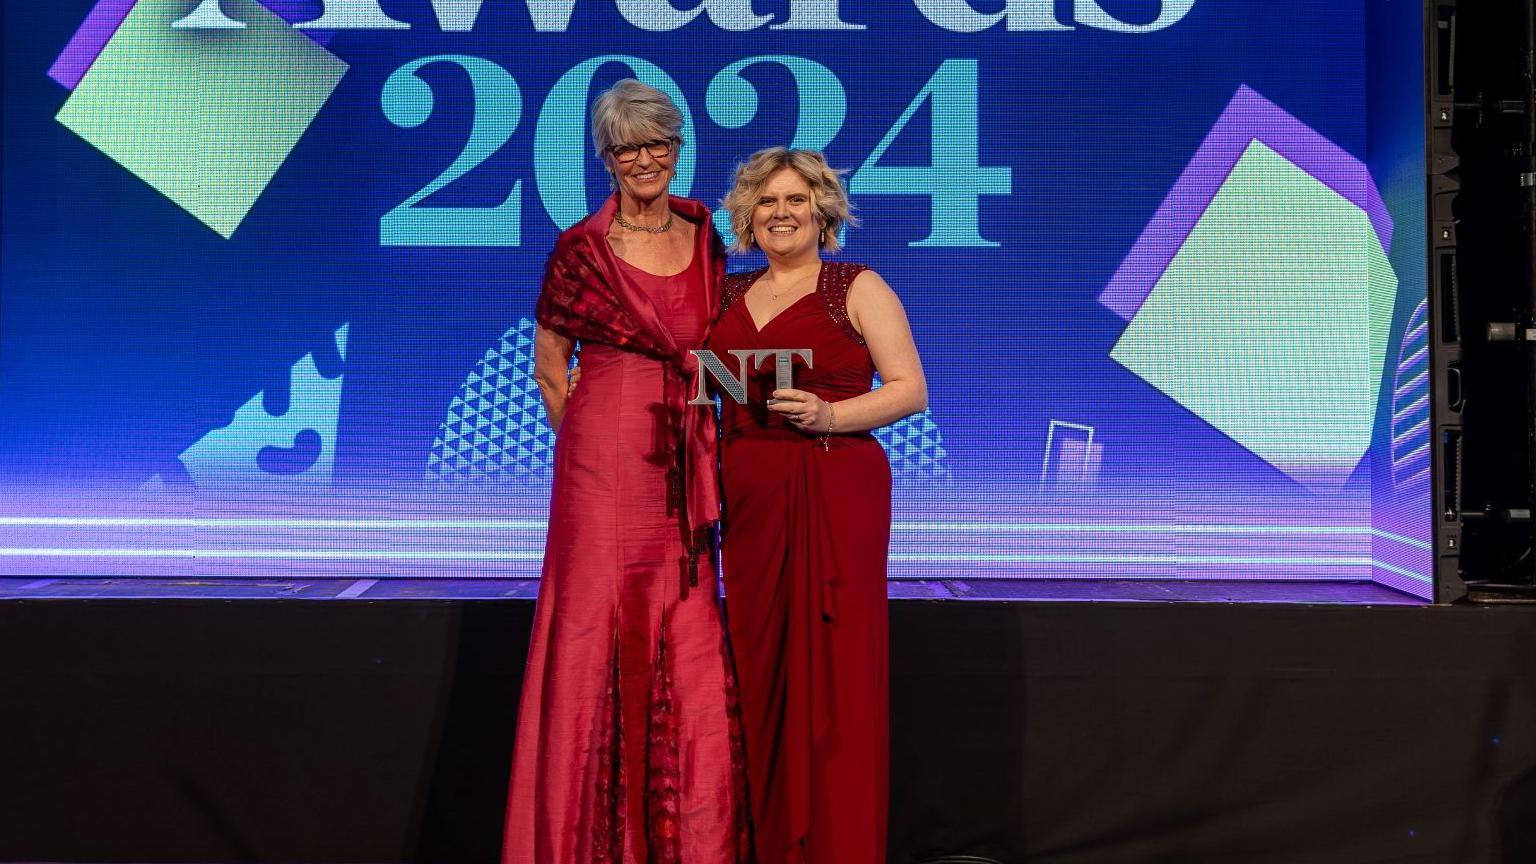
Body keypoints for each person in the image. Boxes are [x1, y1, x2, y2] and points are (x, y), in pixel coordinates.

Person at [503, 80, 749, 864]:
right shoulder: (581, 248)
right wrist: (588, 453)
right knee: (594, 625)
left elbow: (717, 350)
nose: (645, 160)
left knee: (686, 623)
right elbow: (550, 369)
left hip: (684, 452)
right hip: (604, 458)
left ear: (677, 150)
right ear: (605, 159)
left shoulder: (706, 230)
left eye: (658, 144)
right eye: (627, 148)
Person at [706, 148, 927, 863]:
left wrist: (832, 416)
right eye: (766, 201)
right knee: (753, 664)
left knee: (836, 668)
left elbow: (908, 389)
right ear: (746, 215)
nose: (780, 212)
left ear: (822, 211)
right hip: (748, 495)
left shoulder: (854, 286)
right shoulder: (727, 294)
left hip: (836, 486)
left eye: (796, 199)